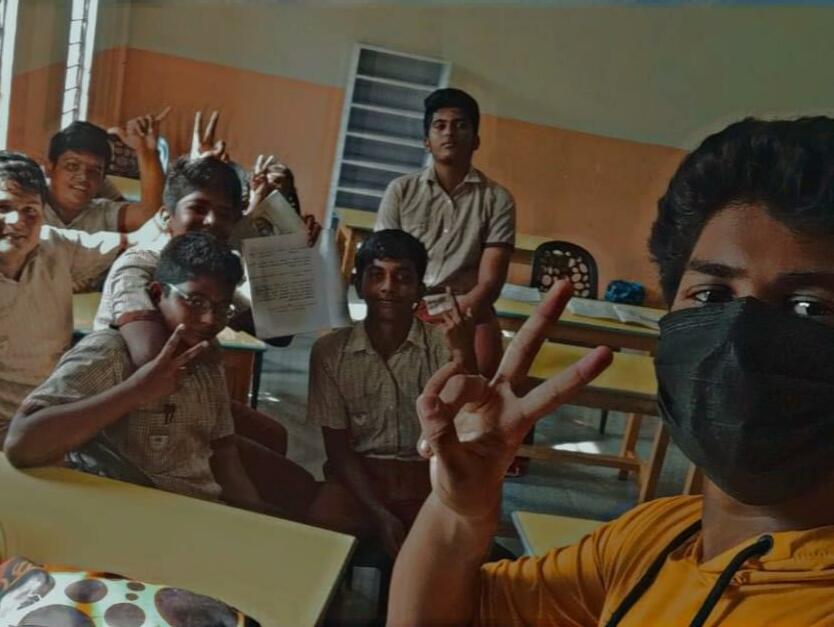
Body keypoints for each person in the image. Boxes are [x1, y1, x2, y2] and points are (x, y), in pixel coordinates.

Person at [388, 117, 834, 625]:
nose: (739, 340)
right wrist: (457, 514)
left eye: (809, 307)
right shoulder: (656, 538)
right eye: (711, 296)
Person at [5, 232, 295, 519]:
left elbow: (225, 456)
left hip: (198, 513)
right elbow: (21, 444)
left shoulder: (207, 358)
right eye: (195, 301)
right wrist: (136, 391)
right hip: (137, 517)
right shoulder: (110, 353)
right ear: (157, 294)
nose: (210, 319)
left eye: (222, 308)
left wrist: (255, 519)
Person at [306, 230, 476, 557]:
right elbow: (338, 452)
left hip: (427, 475)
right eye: (376, 275)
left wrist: (463, 353)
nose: (388, 287)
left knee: (449, 547)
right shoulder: (329, 353)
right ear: (358, 285)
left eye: (403, 278)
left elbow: (470, 418)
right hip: (358, 478)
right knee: (320, 527)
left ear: (420, 290)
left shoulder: (443, 345)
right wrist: (379, 513)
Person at [376, 88, 515, 378]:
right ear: (426, 141)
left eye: (460, 125)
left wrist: (453, 315)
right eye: (439, 126)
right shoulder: (400, 191)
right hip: (409, 304)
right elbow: (386, 265)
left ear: (476, 140)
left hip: (469, 309)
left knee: (481, 383)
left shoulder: (498, 199)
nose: (449, 133)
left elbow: (490, 283)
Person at [0, 152, 128, 438]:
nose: (17, 221)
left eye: (30, 210)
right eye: (3, 207)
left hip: (52, 415)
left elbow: (137, 242)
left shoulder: (54, 245)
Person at [44, 110, 169, 233]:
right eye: (72, 166)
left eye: (94, 171)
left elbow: (152, 217)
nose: (83, 177)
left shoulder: (104, 214)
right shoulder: (34, 208)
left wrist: (146, 150)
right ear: (50, 168)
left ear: (103, 179)